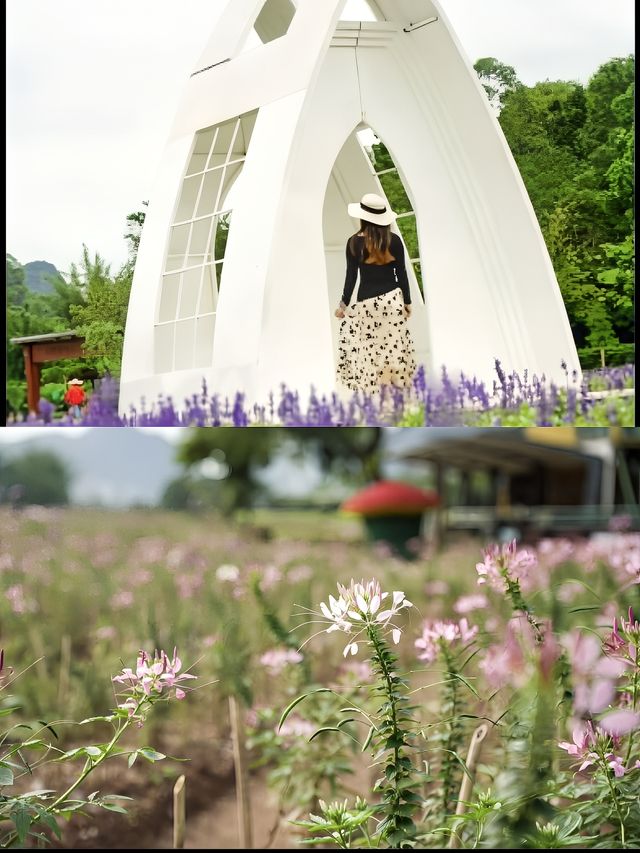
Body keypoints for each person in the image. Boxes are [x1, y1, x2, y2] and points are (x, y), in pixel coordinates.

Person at [335, 193, 417, 393]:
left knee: (372, 354)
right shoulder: (394, 241)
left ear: (363, 217)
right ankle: (396, 398)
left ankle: (380, 401)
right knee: (393, 352)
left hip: (367, 306)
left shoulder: (354, 243)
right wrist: (407, 302)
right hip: (392, 303)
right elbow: (402, 274)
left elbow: (351, 277)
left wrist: (343, 305)